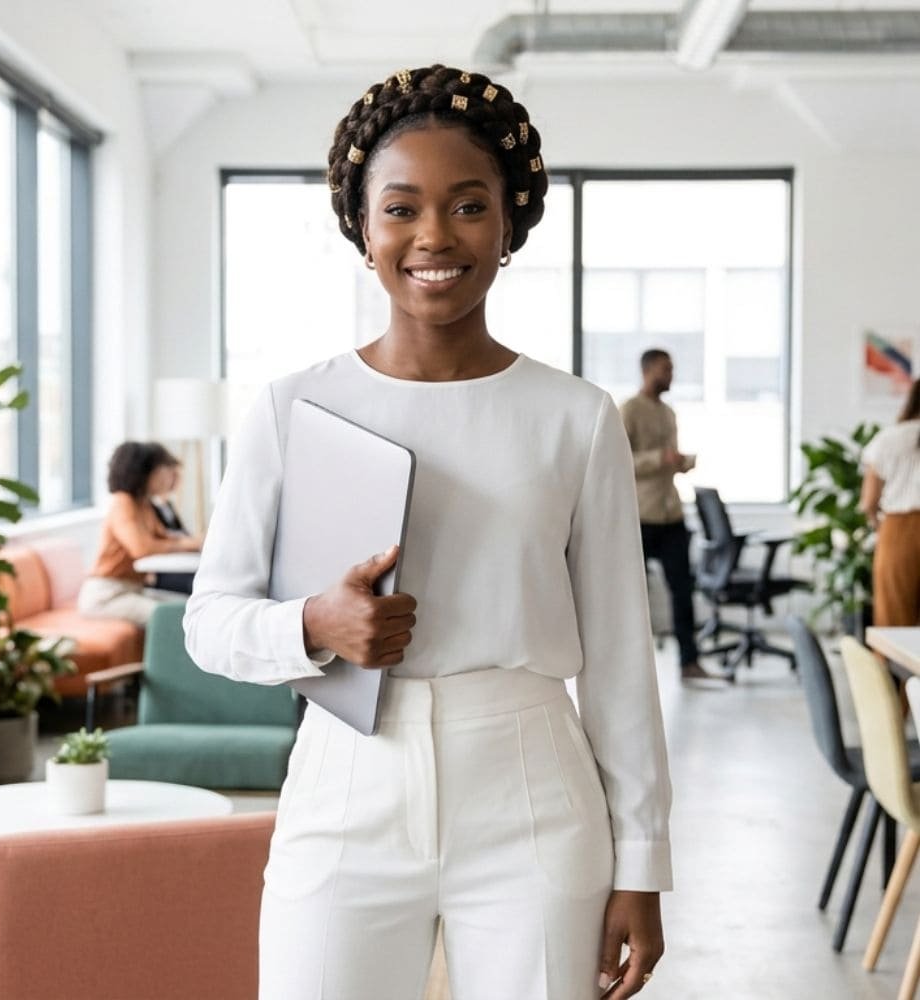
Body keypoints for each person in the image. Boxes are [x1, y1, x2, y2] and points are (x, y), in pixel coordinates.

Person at [184, 65, 671, 1000]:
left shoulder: (575, 416)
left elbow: (617, 655)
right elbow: (212, 621)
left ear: (510, 223)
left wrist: (642, 860)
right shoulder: (293, 407)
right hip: (344, 773)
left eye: (468, 206)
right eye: (401, 208)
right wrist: (313, 627)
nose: (434, 237)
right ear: (362, 228)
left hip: (531, 782)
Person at [620, 349, 713, 683]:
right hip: (640, 517)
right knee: (630, 594)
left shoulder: (669, 413)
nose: (671, 375)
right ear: (648, 370)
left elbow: (668, 461)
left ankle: (690, 662)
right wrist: (659, 458)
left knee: (682, 590)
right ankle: (629, 668)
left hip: (671, 514)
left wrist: (682, 461)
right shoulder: (629, 410)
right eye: (666, 369)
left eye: (672, 369)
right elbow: (618, 462)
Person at [78, 441, 202, 626]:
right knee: (174, 618)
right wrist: (190, 543)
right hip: (107, 595)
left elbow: (165, 539)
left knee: (193, 609)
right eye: (163, 470)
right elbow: (142, 548)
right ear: (145, 472)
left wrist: (197, 542)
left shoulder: (144, 504)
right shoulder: (123, 503)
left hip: (133, 590)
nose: (168, 477)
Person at [861, 377, 920, 627]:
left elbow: (868, 502)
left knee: (894, 619)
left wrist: (879, 526)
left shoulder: (889, 438)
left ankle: (894, 667)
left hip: (899, 530)